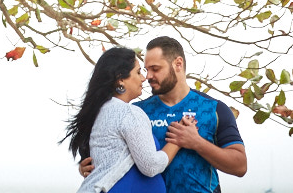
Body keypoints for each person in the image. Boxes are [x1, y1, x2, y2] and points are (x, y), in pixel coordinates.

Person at [79, 36, 247, 193]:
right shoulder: (136, 111)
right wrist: (89, 167)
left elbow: (240, 166)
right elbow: (106, 149)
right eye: (145, 70)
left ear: (178, 64)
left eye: (155, 69)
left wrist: (197, 143)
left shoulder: (214, 109)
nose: (148, 76)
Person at [64, 46, 194, 193]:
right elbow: (151, 166)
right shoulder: (128, 113)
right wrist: (177, 140)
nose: (144, 78)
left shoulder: (100, 111)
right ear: (121, 80)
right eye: (138, 72)